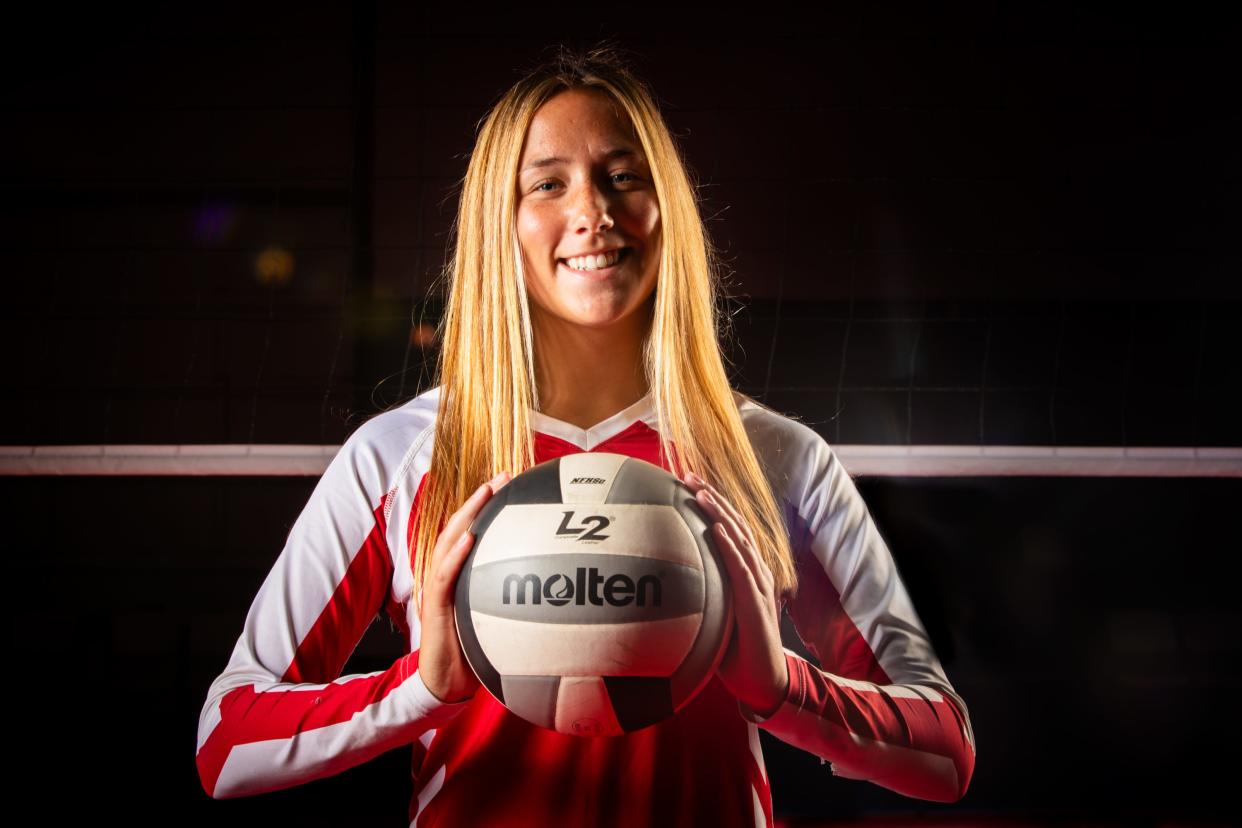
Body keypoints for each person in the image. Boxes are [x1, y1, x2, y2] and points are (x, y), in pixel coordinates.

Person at [195, 44, 976, 826]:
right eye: (548, 182)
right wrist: (421, 690)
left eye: (622, 176)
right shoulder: (401, 457)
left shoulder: (772, 456)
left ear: (665, 202)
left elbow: (944, 753)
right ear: (500, 221)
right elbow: (226, 743)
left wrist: (780, 689)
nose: (593, 213)